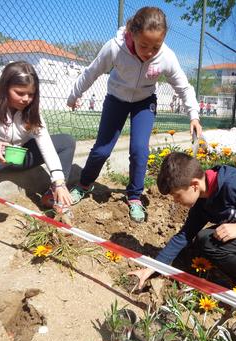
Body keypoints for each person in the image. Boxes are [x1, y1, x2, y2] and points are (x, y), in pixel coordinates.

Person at [66, 7, 202, 223]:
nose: (149, 52)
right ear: (131, 32)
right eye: (143, 45)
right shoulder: (114, 48)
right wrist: (74, 95)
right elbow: (92, 72)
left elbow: (183, 87)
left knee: (140, 150)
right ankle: (84, 184)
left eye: (155, 47)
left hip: (144, 102)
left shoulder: (166, 57)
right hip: (116, 100)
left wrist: (193, 115)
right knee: (102, 150)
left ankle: (135, 196)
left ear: (163, 40)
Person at [0, 61, 75, 261]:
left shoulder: (31, 110)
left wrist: (59, 182)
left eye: (31, 94)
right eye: (20, 93)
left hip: (19, 156)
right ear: (5, 87)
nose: (26, 99)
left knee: (65, 142)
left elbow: (45, 144)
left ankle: (50, 197)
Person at [129, 152, 236, 291]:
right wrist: (152, 267)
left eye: (176, 195)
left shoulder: (231, 183)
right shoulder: (202, 201)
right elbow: (185, 235)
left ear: (194, 185)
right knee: (203, 240)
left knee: (205, 241)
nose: (175, 201)